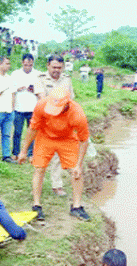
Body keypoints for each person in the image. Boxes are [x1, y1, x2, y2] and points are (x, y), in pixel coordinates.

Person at [17, 87, 91, 221]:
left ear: (67, 104)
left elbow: (84, 140)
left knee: (76, 172)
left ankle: (76, 207)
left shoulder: (77, 114)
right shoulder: (41, 105)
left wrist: (79, 165)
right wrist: (23, 151)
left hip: (67, 139)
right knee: (39, 169)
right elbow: (33, 128)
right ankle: (36, 205)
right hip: (45, 137)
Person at [33, 54, 73, 198]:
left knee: (57, 154)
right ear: (48, 66)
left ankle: (57, 185)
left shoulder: (67, 79)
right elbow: (42, 99)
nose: (57, 70)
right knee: (43, 154)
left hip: (62, 122)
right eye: (54, 67)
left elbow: (71, 99)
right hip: (45, 121)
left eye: (59, 68)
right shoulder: (40, 79)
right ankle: (37, 184)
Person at [11, 53, 40, 160]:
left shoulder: (38, 74)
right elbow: (12, 90)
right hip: (19, 107)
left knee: (32, 132)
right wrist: (18, 89)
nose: (28, 67)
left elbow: (41, 90)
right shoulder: (15, 74)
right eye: (26, 64)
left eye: (30, 65)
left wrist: (34, 90)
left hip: (33, 107)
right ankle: (16, 152)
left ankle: (30, 153)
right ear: (22, 62)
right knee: (17, 131)